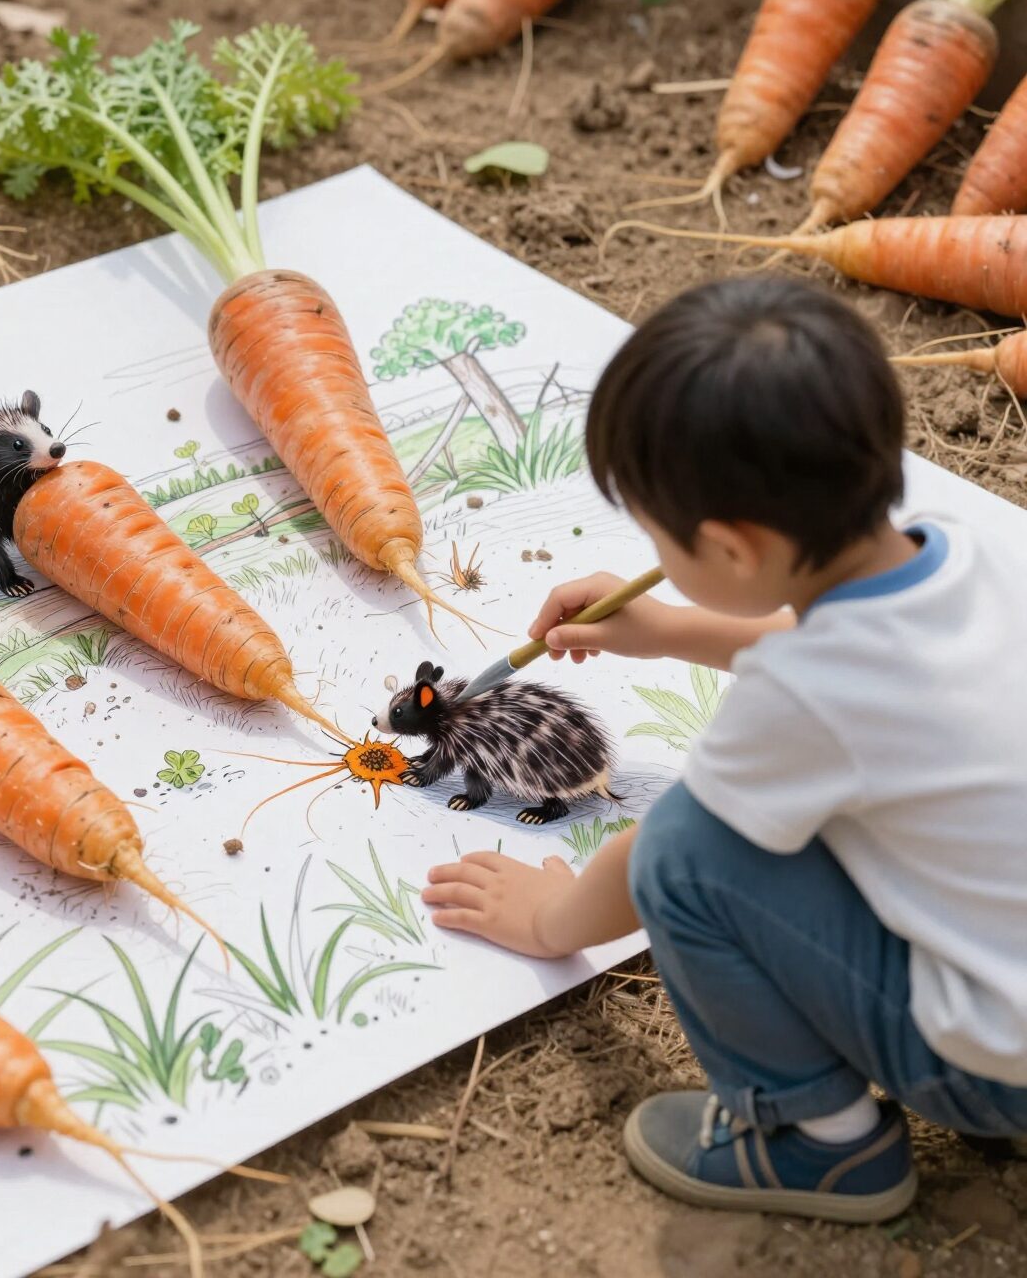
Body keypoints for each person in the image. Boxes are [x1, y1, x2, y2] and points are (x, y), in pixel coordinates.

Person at [421, 277, 1027, 1222]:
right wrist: (669, 630)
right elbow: (854, 656)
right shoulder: (973, 550)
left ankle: (824, 1144)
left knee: (683, 853)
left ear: (732, 548)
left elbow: (672, 847)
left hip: (999, 1068)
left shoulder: (804, 701)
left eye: (659, 539)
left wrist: (549, 920)